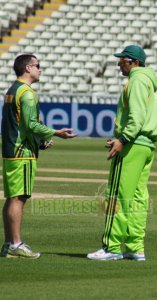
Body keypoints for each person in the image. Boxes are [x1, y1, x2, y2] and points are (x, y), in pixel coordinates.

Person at [87, 45, 157, 261]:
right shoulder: (151, 82)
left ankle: (111, 247)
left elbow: (136, 116)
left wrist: (123, 139)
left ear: (133, 62)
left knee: (117, 196)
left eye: (122, 60)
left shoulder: (137, 80)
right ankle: (135, 247)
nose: (119, 63)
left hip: (133, 145)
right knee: (138, 198)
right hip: (146, 145)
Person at [0, 54, 77, 259]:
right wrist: (56, 133)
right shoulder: (27, 93)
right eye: (38, 66)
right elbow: (31, 124)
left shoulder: (12, 90)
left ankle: (9, 244)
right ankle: (16, 244)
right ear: (28, 68)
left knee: (12, 198)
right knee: (19, 198)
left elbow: (17, 124)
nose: (40, 70)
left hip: (11, 150)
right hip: (22, 153)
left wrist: (40, 142)